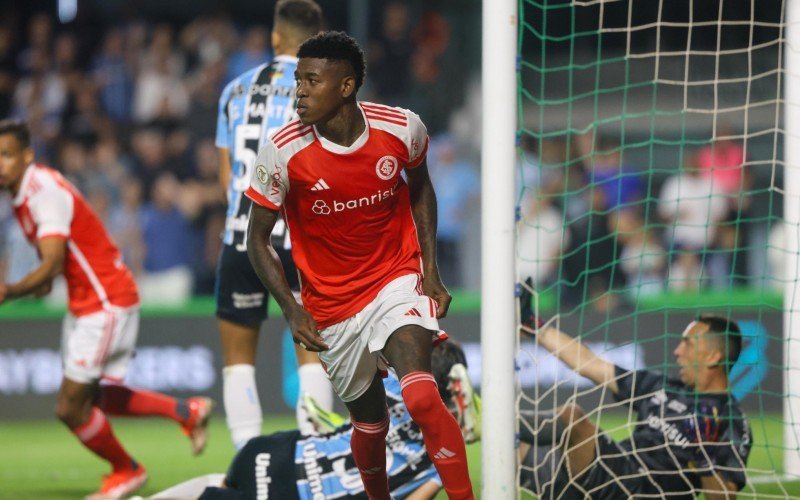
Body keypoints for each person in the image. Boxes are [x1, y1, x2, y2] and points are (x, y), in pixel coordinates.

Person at [245, 31, 474, 499]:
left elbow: (421, 187)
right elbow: (256, 240)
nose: (300, 91)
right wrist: (292, 309)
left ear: (346, 86)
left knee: (422, 395)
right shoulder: (283, 152)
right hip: (331, 306)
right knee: (370, 424)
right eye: (297, 80)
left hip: (395, 278)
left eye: (311, 81)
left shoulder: (401, 129)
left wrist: (430, 270)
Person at [0, 119, 212, 500]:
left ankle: (127, 470)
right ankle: (187, 411)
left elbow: (50, 264)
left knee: (69, 406)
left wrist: (11, 290)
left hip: (105, 299)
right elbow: (54, 266)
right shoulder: (21, 195)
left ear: (27, 156)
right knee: (91, 396)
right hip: (89, 300)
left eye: (6, 155)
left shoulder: (40, 190)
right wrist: (39, 283)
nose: (0, 164)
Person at [144, 342, 479, 500]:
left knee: (221, 481)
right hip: (294, 494)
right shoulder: (439, 457)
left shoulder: (387, 381)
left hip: (276, 451)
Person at [215, 0, 331, 447]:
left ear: (275, 38)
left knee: (238, 361)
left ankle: (247, 462)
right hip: (299, 240)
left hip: (241, 236)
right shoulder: (322, 90)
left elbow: (227, 179)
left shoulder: (234, 91)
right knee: (312, 355)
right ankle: (316, 456)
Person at [519, 289, 751, 499]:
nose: (678, 351)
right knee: (512, 446)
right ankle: (494, 424)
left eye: (688, 344)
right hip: (613, 475)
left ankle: (498, 421)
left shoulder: (731, 420)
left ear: (713, 357)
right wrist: (536, 326)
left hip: (644, 493)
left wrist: (703, 454)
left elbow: (723, 497)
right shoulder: (662, 387)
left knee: (572, 418)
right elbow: (591, 364)